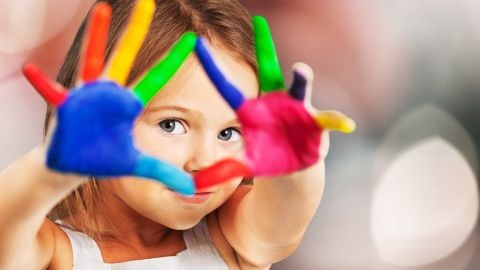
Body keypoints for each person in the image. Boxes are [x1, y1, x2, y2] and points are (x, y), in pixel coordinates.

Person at [0, 0, 354, 269]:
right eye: (171, 125)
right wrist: (53, 167)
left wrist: (298, 165)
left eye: (230, 132)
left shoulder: (229, 235)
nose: (203, 160)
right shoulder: (54, 250)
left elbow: (281, 223)